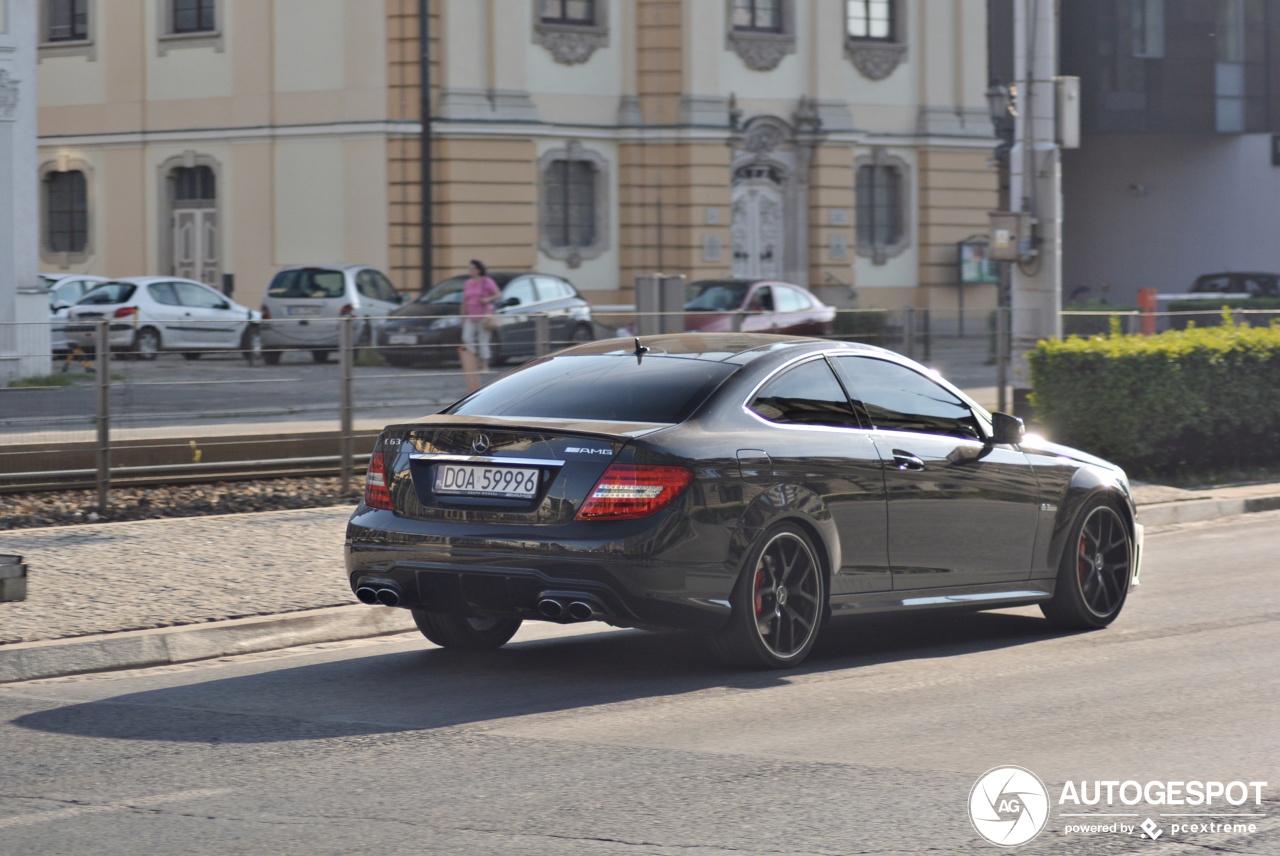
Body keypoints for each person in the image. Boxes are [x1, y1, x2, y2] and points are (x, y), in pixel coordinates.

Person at [459, 259, 500, 393]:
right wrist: (462, 314)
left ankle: (484, 365)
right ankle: (474, 361)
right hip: (470, 314)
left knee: (483, 340)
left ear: (478, 269)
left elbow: (497, 294)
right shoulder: (468, 283)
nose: (470, 271)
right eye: (469, 268)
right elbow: (465, 299)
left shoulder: (486, 281)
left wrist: (487, 299)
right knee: (467, 338)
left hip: (484, 315)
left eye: (472, 268)